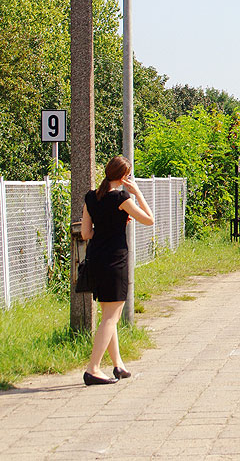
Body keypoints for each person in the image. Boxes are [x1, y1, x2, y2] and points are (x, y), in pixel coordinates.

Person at [80, 155, 154, 386]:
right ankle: (93, 368)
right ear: (124, 177)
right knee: (111, 318)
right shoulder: (122, 197)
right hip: (115, 261)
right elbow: (149, 220)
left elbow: (85, 234)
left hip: (96, 260)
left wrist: (110, 225)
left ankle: (118, 365)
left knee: (108, 316)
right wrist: (137, 193)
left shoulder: (91, 197)